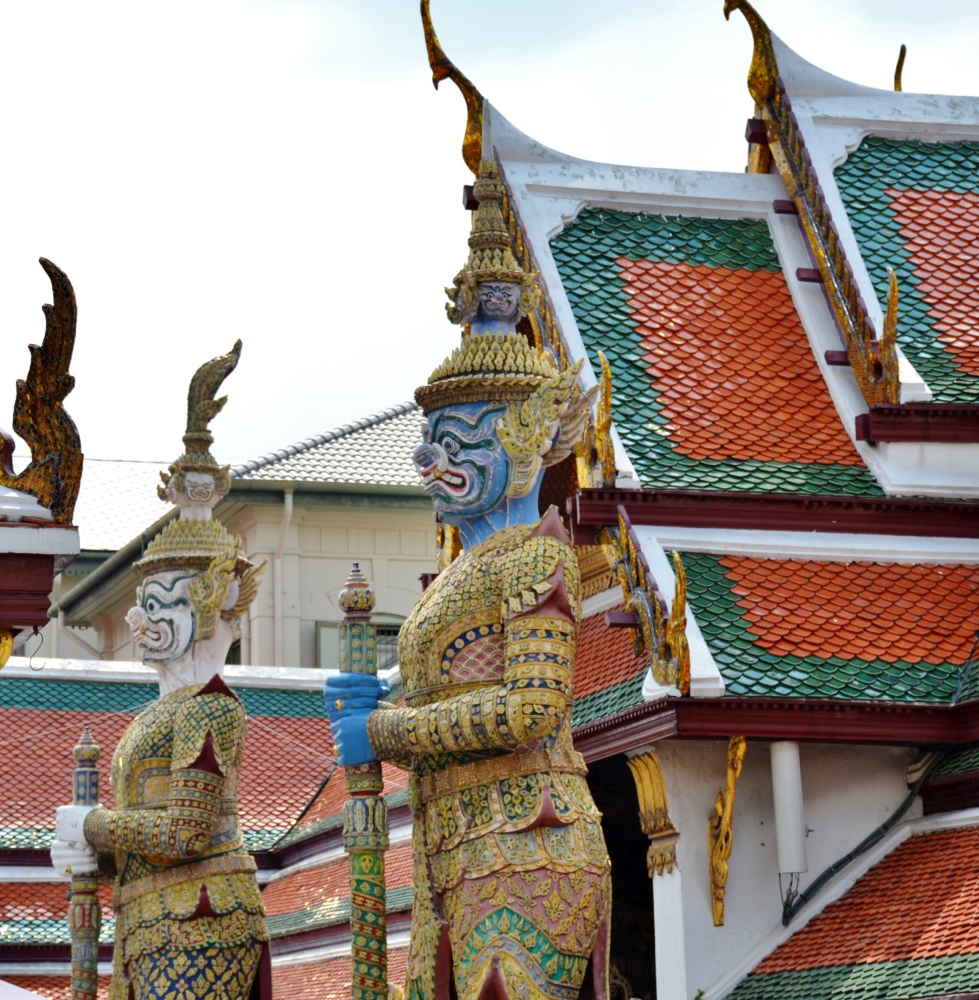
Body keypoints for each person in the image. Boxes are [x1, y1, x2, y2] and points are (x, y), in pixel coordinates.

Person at [326, 163, 611, 1000]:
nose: (428, 457)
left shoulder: (536, 556)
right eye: (429, 437)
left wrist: (388, 734)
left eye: (458, 435)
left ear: (523, 441)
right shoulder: (459, 574)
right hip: (462, 846)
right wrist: (385, 695)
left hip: (531, 838)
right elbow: (461, 683)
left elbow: (532, 709)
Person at [51, 343, 270, 999]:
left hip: (203, 915)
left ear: (211, 603)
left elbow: (187, 830)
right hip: (152, 918)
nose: (142, 623)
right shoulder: (158, 714)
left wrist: (93, 829)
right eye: (140, 605)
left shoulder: (211, 709)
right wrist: (97, 853)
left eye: (161, 603)